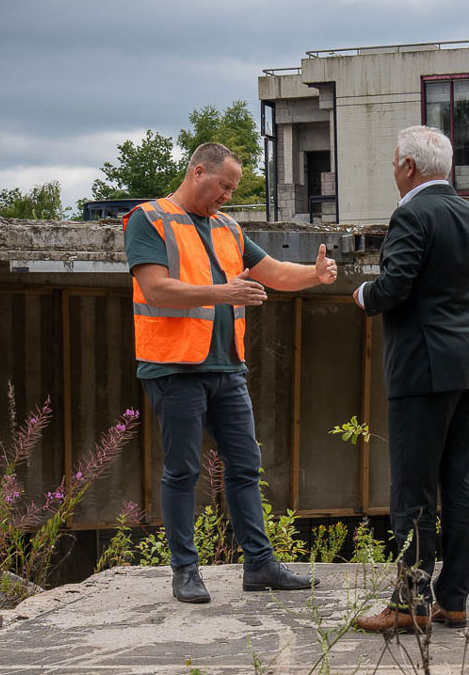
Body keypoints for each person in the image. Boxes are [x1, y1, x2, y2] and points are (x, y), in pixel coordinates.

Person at [123, 142, 337, 603]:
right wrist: (223, 293)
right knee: (183, 470)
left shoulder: (227, 228)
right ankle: (185, 571)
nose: (227, 195)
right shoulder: (149, 218)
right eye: (224, 186)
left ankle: (259, 565)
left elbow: (274, 272)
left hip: (226, 367)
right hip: (174, 366)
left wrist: (315, 275)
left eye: (233, 189)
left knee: (246, 466)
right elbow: (156, 289)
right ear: (198, 172)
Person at [351, 126, 469, 632]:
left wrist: (364, 294)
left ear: (409, 166)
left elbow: (394, 286)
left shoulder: (411, 213)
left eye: (394, 163)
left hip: (422, 370)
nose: (393, 170)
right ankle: (453, 600)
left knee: (412, 491)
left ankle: (410, 603)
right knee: (458, 487)